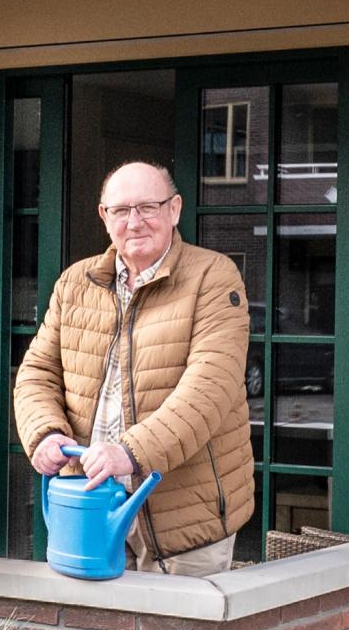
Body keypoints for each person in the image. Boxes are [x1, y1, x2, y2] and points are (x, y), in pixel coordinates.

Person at [14, 160, 255, 574]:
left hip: (185, 515)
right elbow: (38, 372)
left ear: (174, 210)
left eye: (148, 207)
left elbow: (209, 389)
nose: (134, 222)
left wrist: (130, 452)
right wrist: (45, 433)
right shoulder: (75, 283)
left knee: (177, 618)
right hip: (91, 504)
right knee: (94, 617)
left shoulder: (213, 277)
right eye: (122, 210)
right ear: (104, 216)